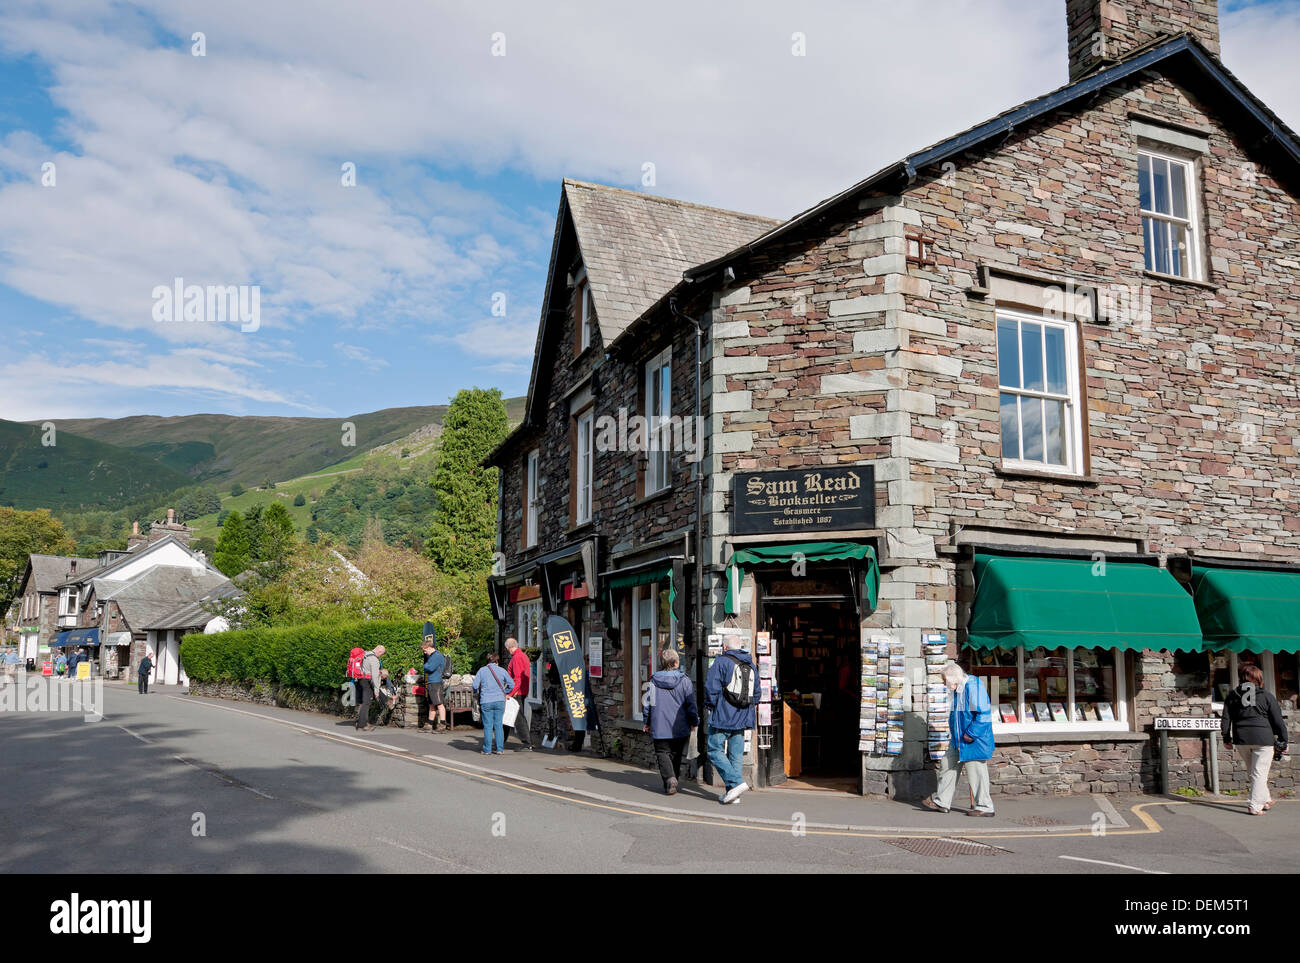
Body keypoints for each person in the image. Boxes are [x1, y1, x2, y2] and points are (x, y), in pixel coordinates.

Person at [924, 661, 996, 816]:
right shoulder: (959, 688)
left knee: (977, 772)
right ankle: (942, 802)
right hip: (959, 738)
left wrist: (971, 734)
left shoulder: (973, 686)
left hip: (973, 739)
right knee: (947, 765)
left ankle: (985, 807)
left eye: (945, 680)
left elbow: (984, 714)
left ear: (953, 679)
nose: (944, 684)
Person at [1221, 662, 1288, 816]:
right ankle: (1254, 806)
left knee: (1255, 772)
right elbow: (1278, 721)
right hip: (1263, 740)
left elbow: (1225, 719)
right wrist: (1284, 741)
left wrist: (1226, 738)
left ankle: (1266, 800)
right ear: (1258, 678)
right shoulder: (1267, 696)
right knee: (1259, 773)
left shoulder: (1232, 695)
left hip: (1241, 739)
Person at [704, 637, 761, 804]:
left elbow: (711, 688)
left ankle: (736, 783)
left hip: (723, 715)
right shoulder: (751, 664)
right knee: (735, 755)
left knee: (714, 750)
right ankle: (733, 793)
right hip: (743, 717)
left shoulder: (721, 662)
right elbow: (756, 693)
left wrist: (712, 707)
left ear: (724, 646)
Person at [644, 647, 699, 794]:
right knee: (675, 753)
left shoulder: (654, 680)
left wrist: (647, 722)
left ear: (663, 662)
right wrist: (694, 722)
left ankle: (670, 779)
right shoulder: (685, 681)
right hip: (679, 725)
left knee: (662, 752)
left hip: (659, 724)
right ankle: (672, 780)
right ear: (676, 662)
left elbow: (648, 703)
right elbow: (691, 705)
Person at [473, 653, 515, 755]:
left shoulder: (482, 671)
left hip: (486, 701)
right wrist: (505, 692)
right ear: (497, 661)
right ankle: (499, 749)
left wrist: (479, 692)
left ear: (487, 661)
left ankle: (487, 750)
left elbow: (474, 686)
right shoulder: (502, 670)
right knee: (498, 725)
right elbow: (512, 684)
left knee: (488, 726)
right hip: (500, 701)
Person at [502, 637, 533, 750]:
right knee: (509, 716)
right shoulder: (522, 656)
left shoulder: (517, 658)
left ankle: (527, 743)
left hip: (517, 692)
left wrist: (511, 693)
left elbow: (517, 678)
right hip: (520, 690)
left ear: (508, 647)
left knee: (517, 717)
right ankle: (502, 741)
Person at [356, 644, 386, 732]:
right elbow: (375, 676)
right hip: (367, 681)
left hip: (360, 680)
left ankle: (363, 722)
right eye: (382, 654)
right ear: (379, 651)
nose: (381, 656)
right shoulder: (374, 659)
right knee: (366, 703)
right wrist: (376, 690)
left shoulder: (365, 654)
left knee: (365, 702)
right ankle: (362, 725)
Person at [420, 638, 448, 731]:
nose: (424, 653)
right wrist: (427, 666)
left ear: (428, 647)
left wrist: (425, 666)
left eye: (424, 650)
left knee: (439, 703)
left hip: (436, 682)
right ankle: (429, 724)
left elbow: (430, 667)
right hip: (432, 682)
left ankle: (443, 724)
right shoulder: (432, 656)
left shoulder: (436, 656)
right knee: (432, 704)